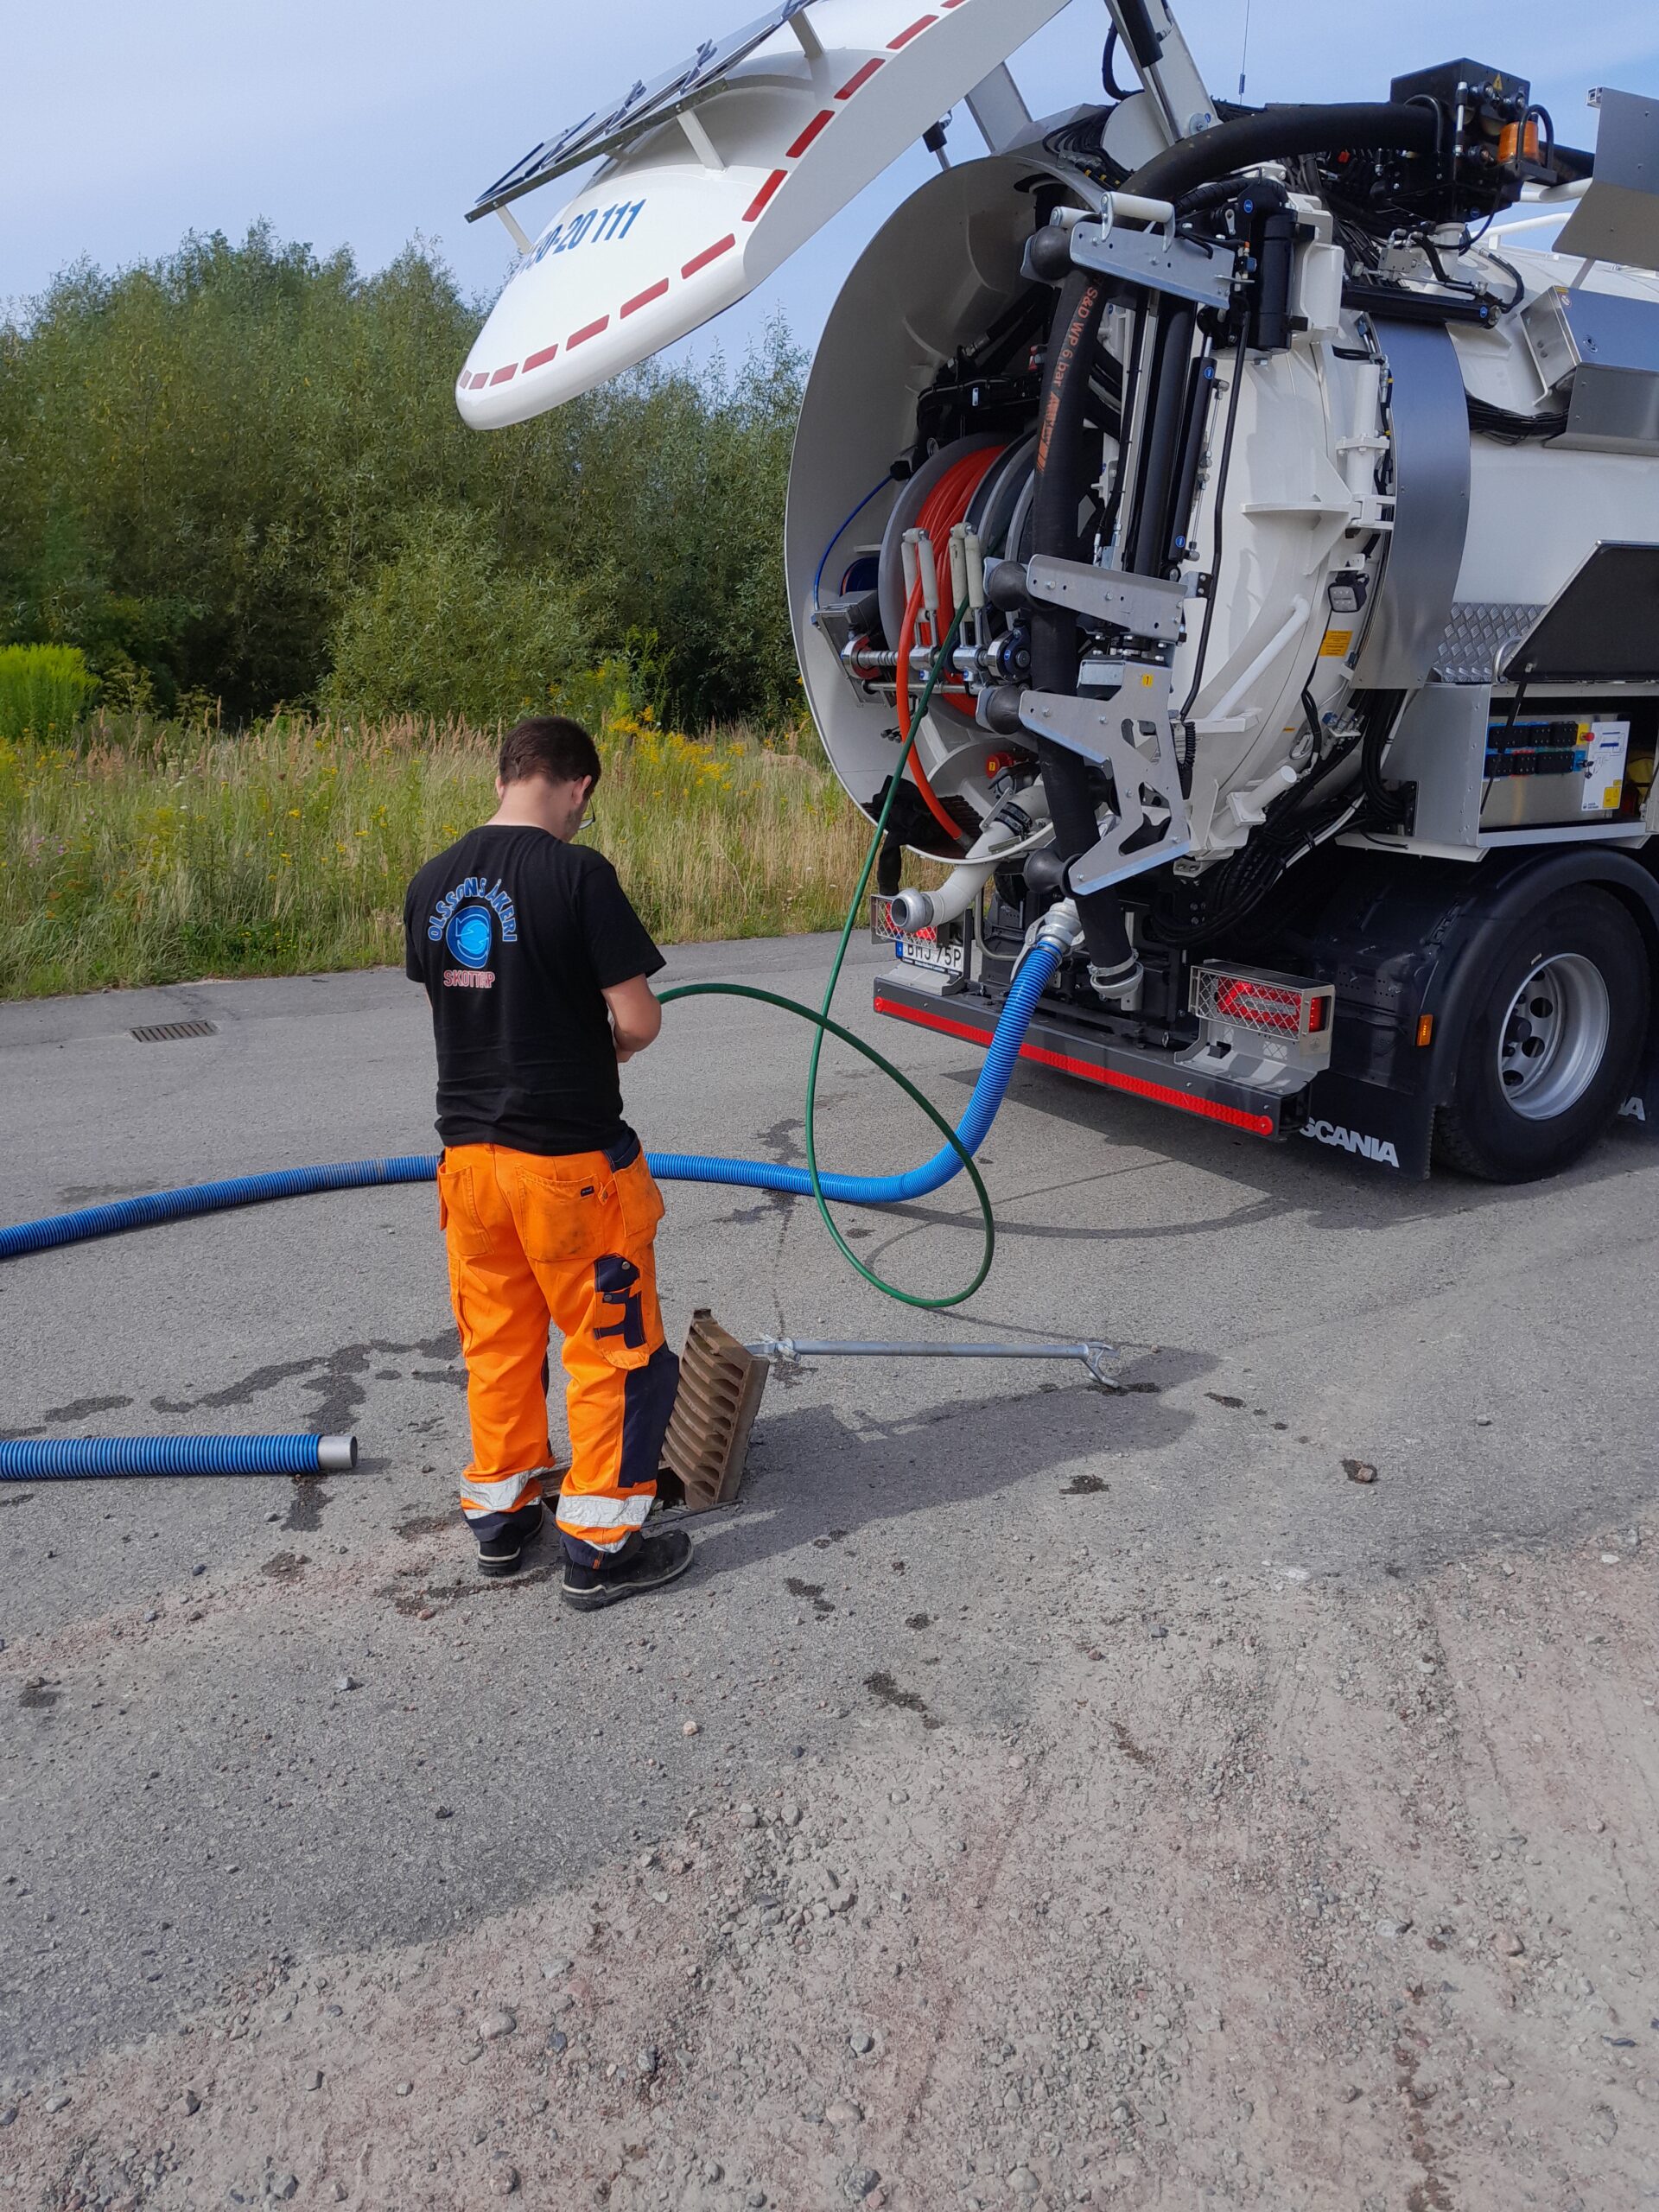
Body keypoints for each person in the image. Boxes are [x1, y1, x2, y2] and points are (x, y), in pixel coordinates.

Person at [404, 715, 692, 1610]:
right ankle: (602, 1547)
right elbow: (637, 1020)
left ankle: (504, 1515)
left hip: (470, 1165)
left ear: (503, 777)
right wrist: (611, 1046)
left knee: (499, 1344)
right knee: (614, 1354)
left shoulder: (432, 880)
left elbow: (468, 1007)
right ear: (577, 788)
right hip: (566, 1169)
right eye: (582, 805)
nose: (579, 817)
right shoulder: (577, 874)